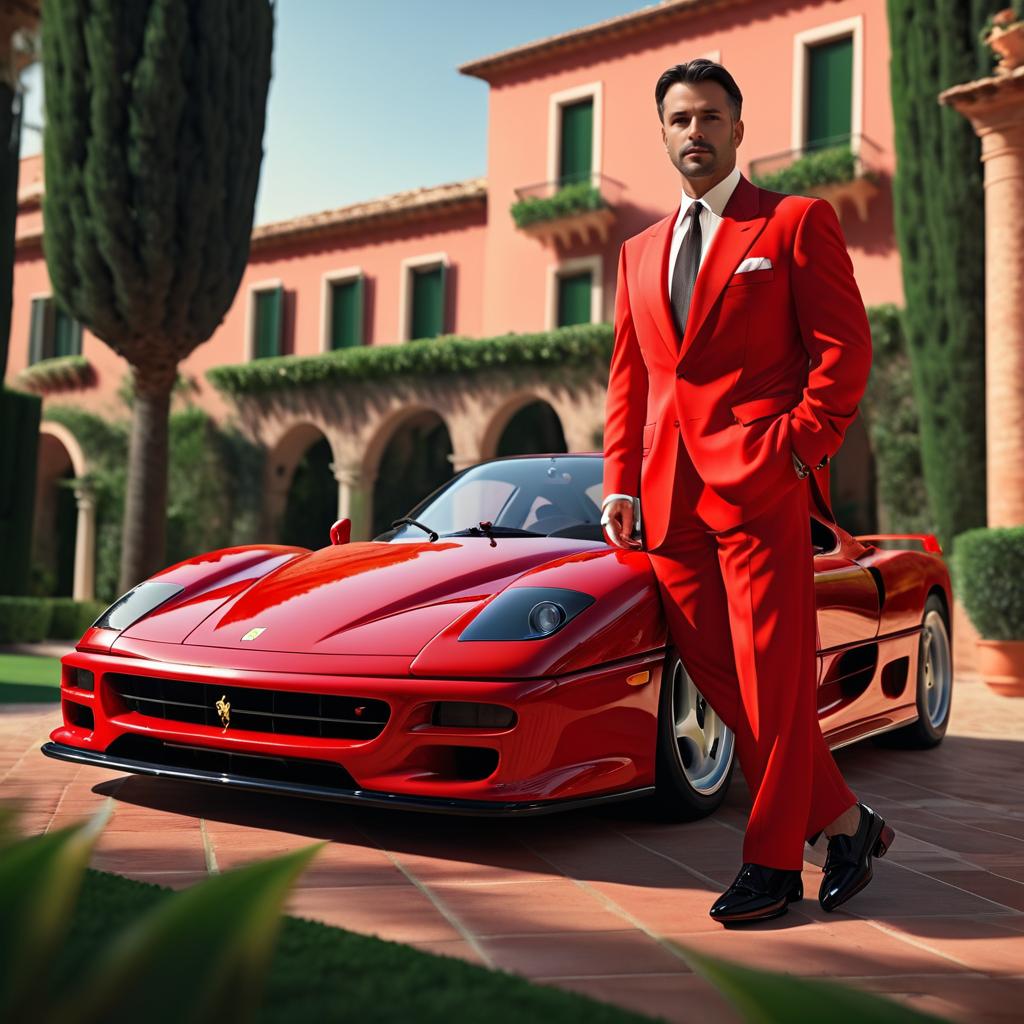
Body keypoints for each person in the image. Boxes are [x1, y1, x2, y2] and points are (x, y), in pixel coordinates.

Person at [601, 59, 895, 924]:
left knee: (773, 683)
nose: (694, 131)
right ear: (663, 132)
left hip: (762, 484)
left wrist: (797, 451)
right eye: (679, 118)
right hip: (667, 499)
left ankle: (772, 862)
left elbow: (845, 353)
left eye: (710, 116)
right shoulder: (636, 253)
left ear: (737, 127)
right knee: (716, 672)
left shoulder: (795, 222)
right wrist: (620, 481)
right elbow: (629, 381)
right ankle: (845, 820)